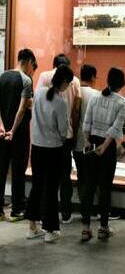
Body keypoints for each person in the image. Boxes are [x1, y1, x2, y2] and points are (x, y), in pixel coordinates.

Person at [25, 65, 74, 243]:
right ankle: (50, 230)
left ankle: (32, 227)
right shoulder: (61, 102)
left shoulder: (38, 93)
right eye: (69, 83)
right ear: (64, 82)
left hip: (36, 147)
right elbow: (63, 130)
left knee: (37, 186)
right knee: (51, 189)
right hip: (53, 149)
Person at [80, 68, 125, 241]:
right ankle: (103, 227)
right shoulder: (122, 102)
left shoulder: (95, 97)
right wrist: (104, 146)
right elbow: (116, 128)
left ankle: (85, 228)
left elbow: (87, 122)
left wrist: (87, 142)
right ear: (122, 83)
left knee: (89, 186)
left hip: (92, 142)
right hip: (107, 147)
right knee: (105, 188)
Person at [38, 54, 82, 224]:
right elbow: (76, 109)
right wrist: (74, 132)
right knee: (65, 175)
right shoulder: (75, 81)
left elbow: (37, 103)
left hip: (43, 137)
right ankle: (65, 212)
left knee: (45, 175)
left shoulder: (44, 76)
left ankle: (44, 212)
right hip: (66, 136)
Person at [0, 48, 36, 222]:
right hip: (19, 134)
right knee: (18, 171)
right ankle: (17, 209)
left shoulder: (2, 76)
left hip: (1, 134)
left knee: (1, 169)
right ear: (29, 62)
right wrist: (13, 130)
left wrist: (1, 127)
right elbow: (22, 109)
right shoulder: (26, 80)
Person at [72, 64, 99, 218]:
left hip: (76, 141)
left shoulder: (74, 92)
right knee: (92, 177)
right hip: (91, 142)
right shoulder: (96, 95)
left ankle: (83, 207)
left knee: (81, 176)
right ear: (93, 77)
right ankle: (90, 209)